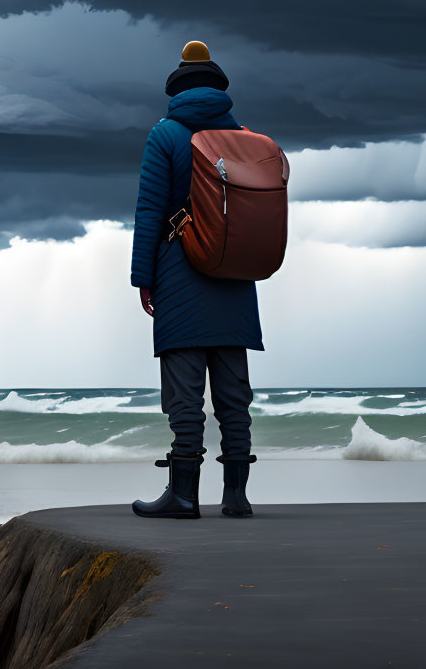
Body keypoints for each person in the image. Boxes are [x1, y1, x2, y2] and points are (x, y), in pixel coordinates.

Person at [130, 40, 263, 520]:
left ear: (176, 87)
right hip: (235, 278)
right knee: (234, 396)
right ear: (218, 88)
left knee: (184, 394)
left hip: (180, 275)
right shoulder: (246, 137)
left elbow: (149, 211)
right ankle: (237, 497)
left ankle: (184, 495)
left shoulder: (164, 135)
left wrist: (143, 277)